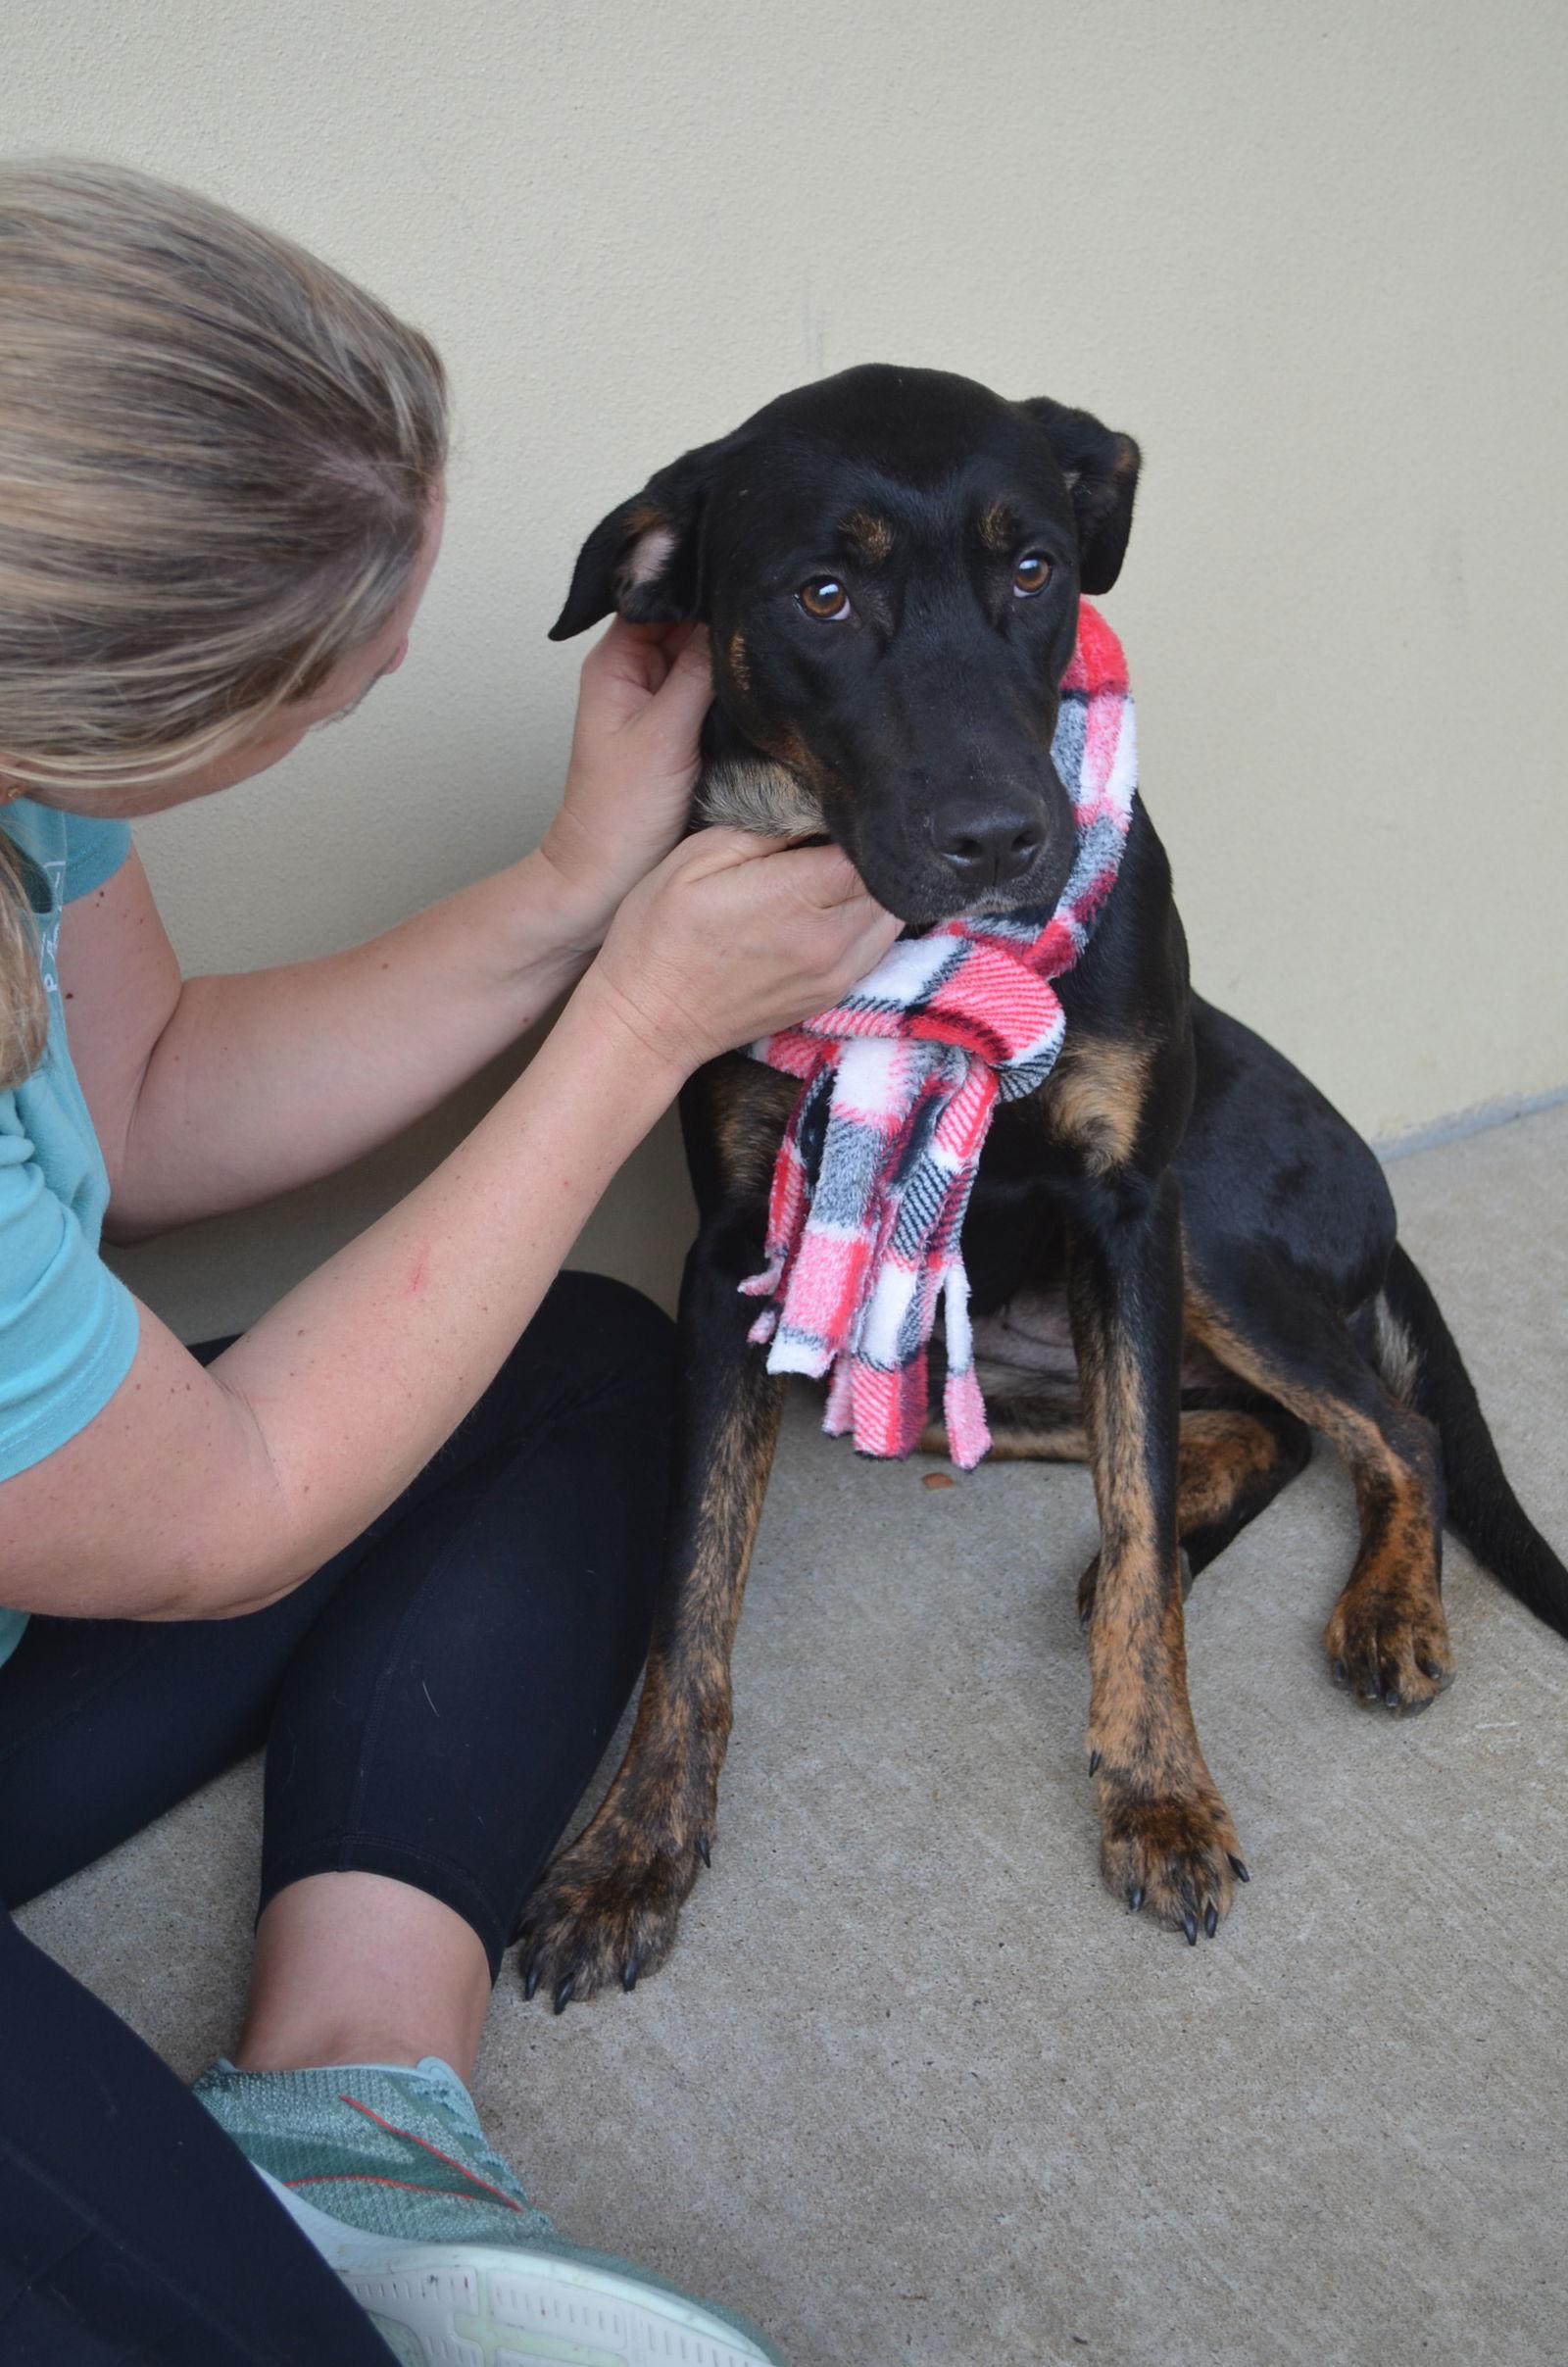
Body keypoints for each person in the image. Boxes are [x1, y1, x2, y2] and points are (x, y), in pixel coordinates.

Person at [0, 160, 896, 2366]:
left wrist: (581, 880)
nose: (394, 671)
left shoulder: (20, 757)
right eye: (324, 689)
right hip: (130, 1544)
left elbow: (149, 1095)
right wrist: (632, 1035)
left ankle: (347, 2101)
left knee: (578, 1366)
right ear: (105, 707)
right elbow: (218, 1519)